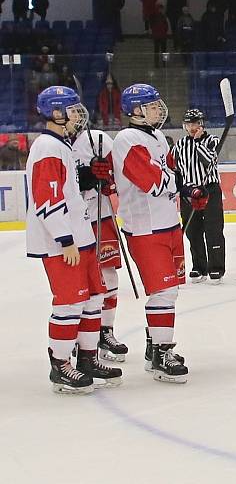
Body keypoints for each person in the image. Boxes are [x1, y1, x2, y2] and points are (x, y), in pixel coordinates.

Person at [26, 86, 122, 393]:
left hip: (81, 237)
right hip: (62, 243)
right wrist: (64, 239)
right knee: (69, 303)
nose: (77, 114)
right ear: (56, 113)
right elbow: (47, 198)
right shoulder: (47, 147)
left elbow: (69, 188)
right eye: (71, 108)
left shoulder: (61, 145)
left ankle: (87, 358)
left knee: (94, 297)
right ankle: (61, 365)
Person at [113, 84, 189, 382]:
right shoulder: (127, 140)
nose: (160, 108)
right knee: (163, 292)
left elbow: (171, 175)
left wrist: (191, 187)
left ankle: (153, 345)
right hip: (145, 228)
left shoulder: (157, 136)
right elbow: (154, 182)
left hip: (169, 223)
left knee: (170, 292)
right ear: (136, 110)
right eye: (153, 104)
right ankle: (160, 353)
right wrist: (179, 181)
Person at [72, 114, 128, 363]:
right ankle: (77, 335)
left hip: (101, 214)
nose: (73, 115)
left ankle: (105, 331)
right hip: (73, 220)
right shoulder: (54, 144)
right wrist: (85, 176)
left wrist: (108, 180)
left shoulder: (97, 139)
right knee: (80, 280)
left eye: (75, 110)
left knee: (108, 274)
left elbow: (120, 170)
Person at [172, 109, 226, 284]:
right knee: (193, 231)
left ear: (202, 124)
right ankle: (199, 266)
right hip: (189, 193)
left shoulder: (213, 140)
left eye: (196, 123)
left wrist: (197, 142)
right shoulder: (179, 145)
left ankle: (216, 267)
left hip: (209, 190)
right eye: (189, 124)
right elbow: (175, 168)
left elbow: (208, 160)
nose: (192, 127)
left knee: (213, 230)